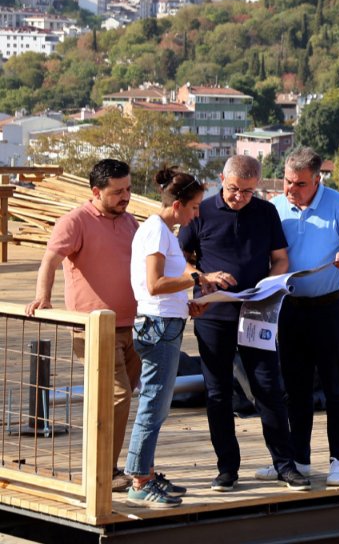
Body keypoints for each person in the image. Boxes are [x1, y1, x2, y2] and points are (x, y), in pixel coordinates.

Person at [179, 156, 312, 493]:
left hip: (255, 312)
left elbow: (281, 259)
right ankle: (227, 469)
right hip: (213, 316)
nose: (240, 197)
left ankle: (285, 465)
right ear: (221, 178)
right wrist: (202, 278)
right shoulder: (202, 211)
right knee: (218, 392)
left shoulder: (266, 212)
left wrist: (268, 284)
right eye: (234, 189)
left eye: (248, 192)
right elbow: (179, 259)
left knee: (268, 387)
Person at [26, 159, 141, 493]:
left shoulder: (130, 222)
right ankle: (105, 470)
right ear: (96, 191)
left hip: (132, 327)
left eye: (129, 189)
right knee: (117, 397)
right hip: (94, 329)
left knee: (117, 399)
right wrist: (42, 297)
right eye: (118, 192)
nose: (126, 197)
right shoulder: (75, 221)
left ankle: (105, 463)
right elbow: (50, 258)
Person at [124, 168, 230, 508]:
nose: (198, 214)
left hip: (166, 321)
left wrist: (187, 304)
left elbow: (163, 285)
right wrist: (198, 277)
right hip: (157, 326)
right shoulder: (156, 231)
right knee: (153, 404)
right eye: (196, 207)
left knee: (157, 403)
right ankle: (139, 480)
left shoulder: (164, 231)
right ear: (179, 204)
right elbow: (153, 285)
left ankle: (147, 472)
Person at [269, 148, 339, 488]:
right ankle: (299, 459)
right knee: (294, 389)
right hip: (290, 309)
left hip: (330, 308)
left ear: (317, 180)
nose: (289, 190)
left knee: (336, 386)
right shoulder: (277, 206)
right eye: (286, 181)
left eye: (298, 184)